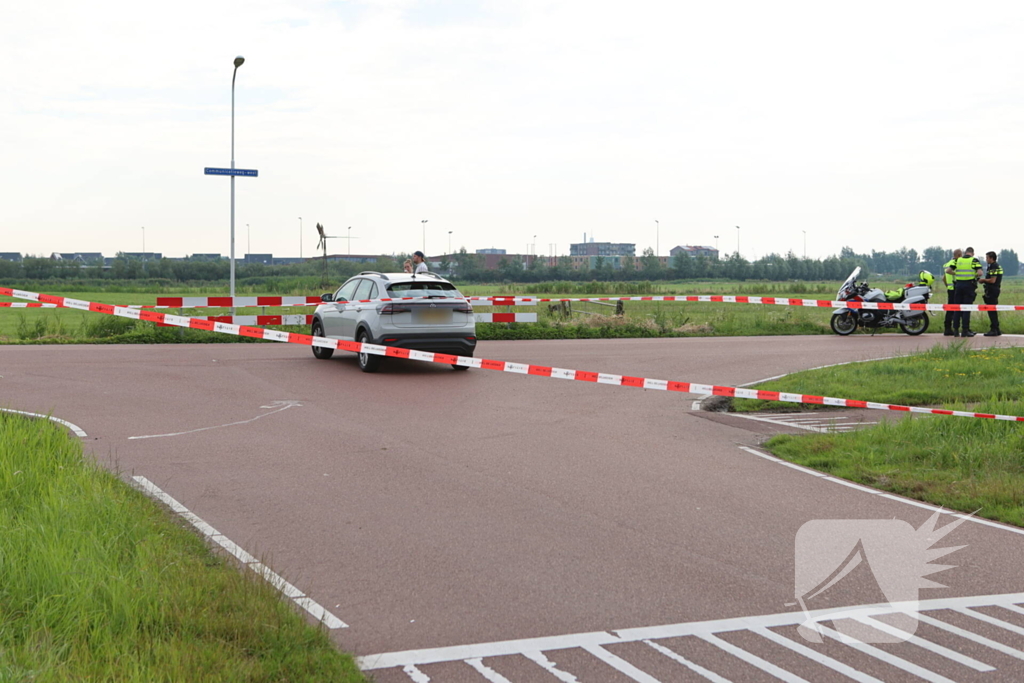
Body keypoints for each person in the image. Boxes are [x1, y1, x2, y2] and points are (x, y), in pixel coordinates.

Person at [946, 246, 983, 337]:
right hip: (969, 286)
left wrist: (956, 274)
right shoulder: (974, 260)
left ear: (965, 252)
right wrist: (974, 275)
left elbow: (948, 270)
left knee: (957, 308)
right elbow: (980, 273)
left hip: (958, 286)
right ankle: (965, 330)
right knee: (966, 308)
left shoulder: (958, 260)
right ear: (972, 253)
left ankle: (955, 330)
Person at [979, 251, 1003, 336]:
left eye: (987, 258)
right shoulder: (996, 266)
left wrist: (983, 280)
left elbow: (993, 280)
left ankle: (993, 329)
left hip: (992, 290)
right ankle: (996, 329)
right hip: (994, 289)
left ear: (991, 258)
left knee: (991, 310)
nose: (986, 260)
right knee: (993, 310)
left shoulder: (993, 266)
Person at [941, 249, 962, 336]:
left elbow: (943, 278)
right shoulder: (955, 264)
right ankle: (951, 328)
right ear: (958, 255)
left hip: (950, 288)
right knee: (955, 309)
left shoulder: (947, 264)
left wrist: (948, 286)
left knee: (949, 309)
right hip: (955, 288)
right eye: (961, 255)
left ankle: (947, 327)